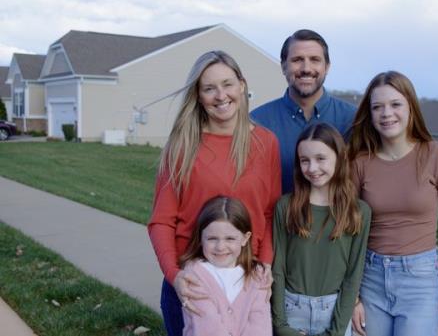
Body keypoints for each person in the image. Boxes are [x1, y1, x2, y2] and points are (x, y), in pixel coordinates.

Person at [147, 50, 281, 336]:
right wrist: (175, 276)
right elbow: (161, 221)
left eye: (227, 84)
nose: (221, 95)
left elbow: (270, 213)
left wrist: (266, 263)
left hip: (247, 284)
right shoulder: (183, 145)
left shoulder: (265, 143)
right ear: (198, 95)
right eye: (209, 88)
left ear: (242, 85)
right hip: (194, 282)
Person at [348, 71, 438, 336]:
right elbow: (350, 232)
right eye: (377, 107)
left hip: (421, 281)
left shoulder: (434, 154)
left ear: (410, 106)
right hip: (371, 279)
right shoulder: (359, 163)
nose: (386, 113)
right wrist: (353, 297)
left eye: (395, 104)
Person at [271, 123, 371, 336]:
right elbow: (277, 268)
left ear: (339, 157)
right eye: (304, 160)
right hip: (291, 311)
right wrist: (280, 325)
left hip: (334, 313)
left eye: (321, 158)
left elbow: (353, 275)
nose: (312, 168)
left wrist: (336, 331)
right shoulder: (286, 206)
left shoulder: (358, 211)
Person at [251, 29, 356, 194]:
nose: (306, 68)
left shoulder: (353, 120)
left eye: (315, 60)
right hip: (278, 219)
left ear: (327, 66)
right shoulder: (256, 123)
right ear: (284, 66)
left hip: (341, 218)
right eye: (297, 60)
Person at [179, 196, 272, 336]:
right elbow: (208, 325)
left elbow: (259, 326)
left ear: (245, 239)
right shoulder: (194, 273)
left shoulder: (258, 275)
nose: (220, 247)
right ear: (200, 238)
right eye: (212, 238)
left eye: (230, 238)